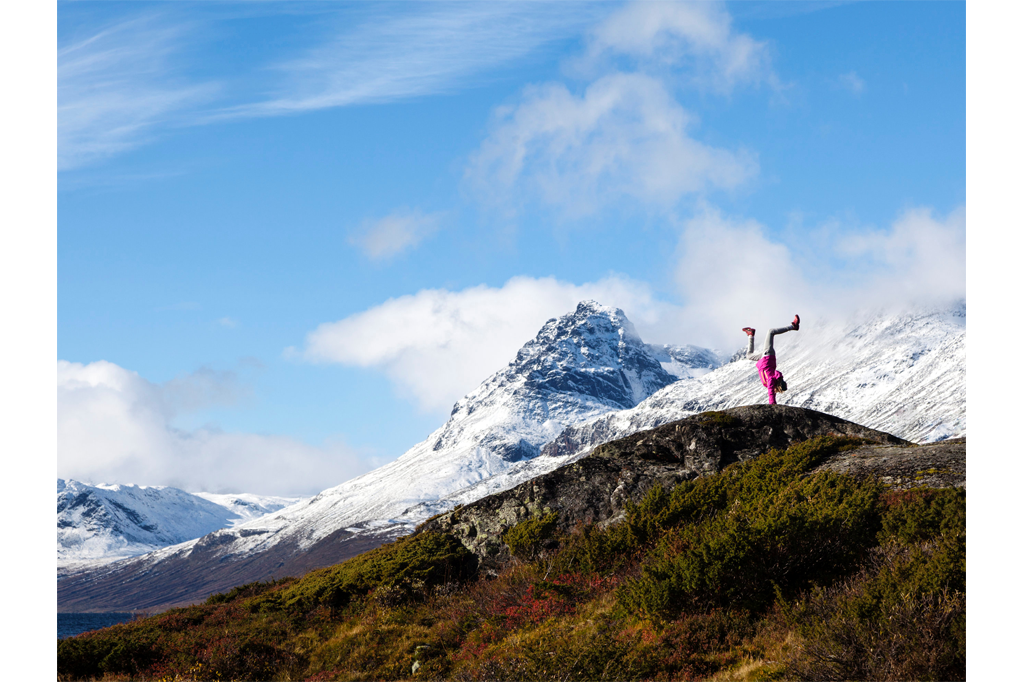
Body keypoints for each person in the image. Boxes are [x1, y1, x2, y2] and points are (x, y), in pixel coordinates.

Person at [742, 315, 800, 405]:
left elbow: (771, 390)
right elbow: (771, 393)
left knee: (749, 355)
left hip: (763, 358)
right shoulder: (772, 379)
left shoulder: (771, 382)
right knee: (770, 332)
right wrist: (772, 403)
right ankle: (793, 327)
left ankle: (751, 335)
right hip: (767, 355)